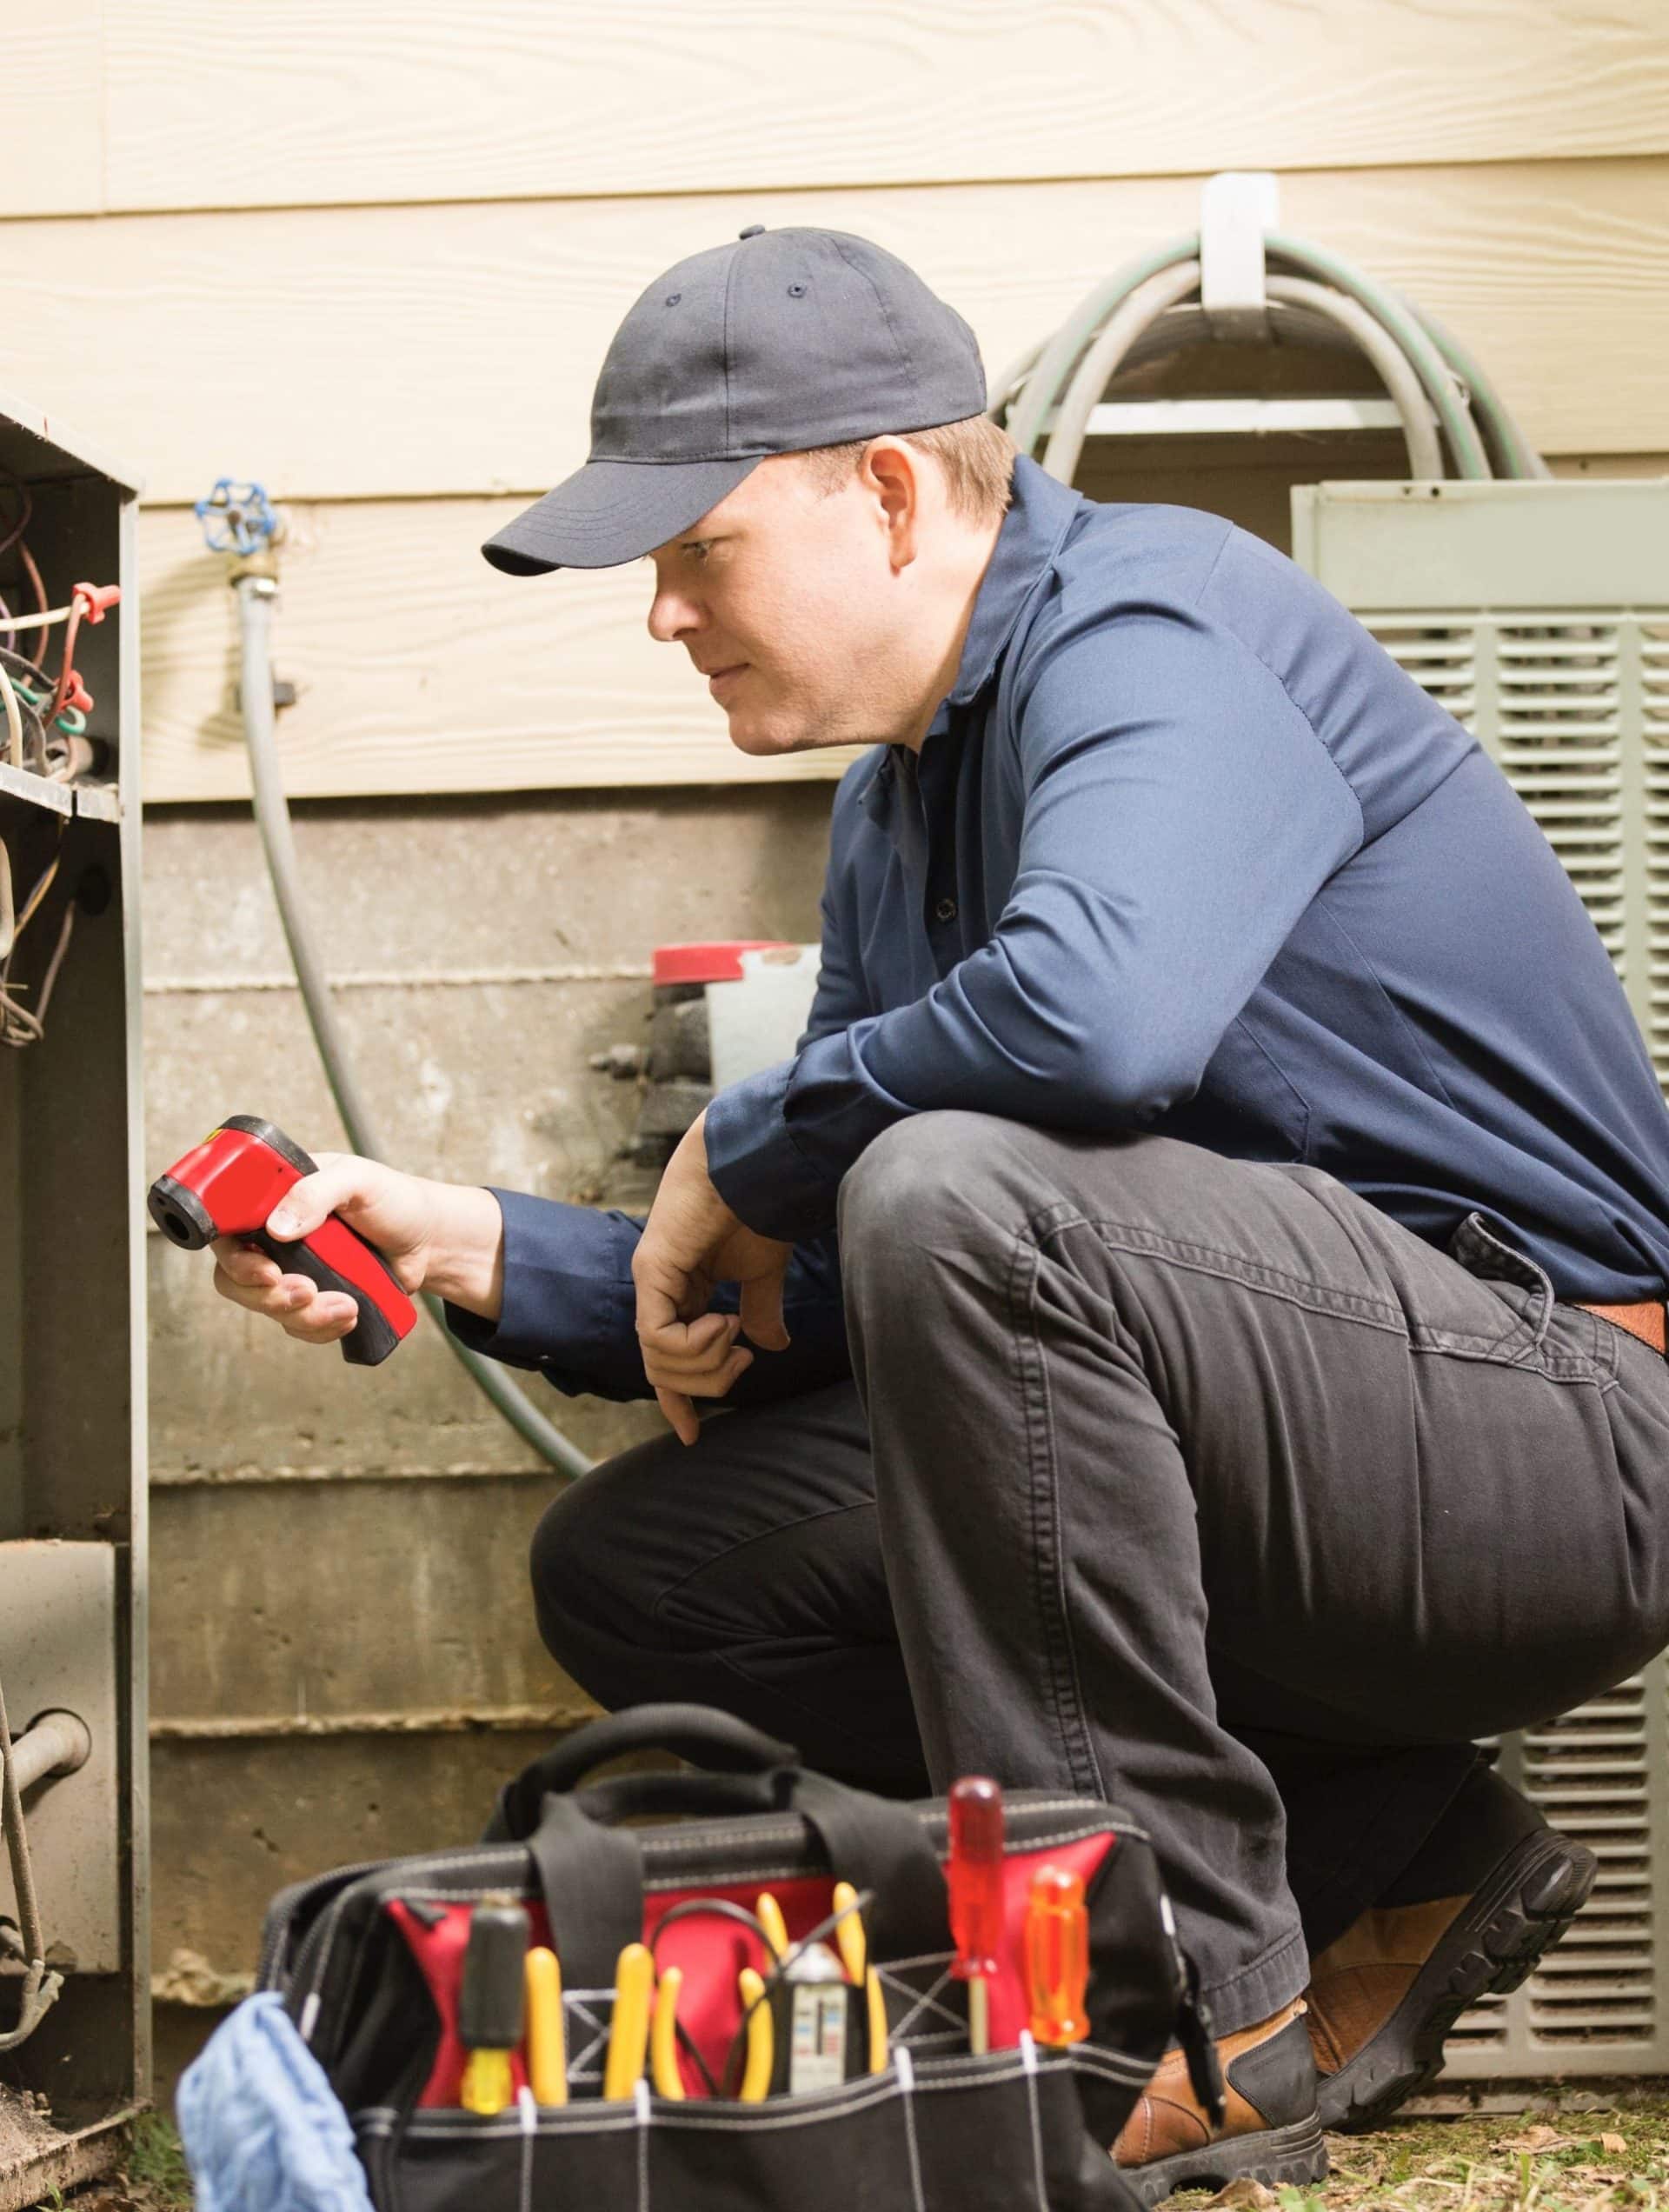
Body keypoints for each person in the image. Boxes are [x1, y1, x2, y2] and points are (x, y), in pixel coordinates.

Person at [209, 227, 1669, 2200]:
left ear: (887, 493)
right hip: (1299, 1471)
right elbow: (865, 1290)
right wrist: (476, 1242)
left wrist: (742, 1141)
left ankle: (1166, 2007)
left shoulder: (1155, 630)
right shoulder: (902, 798)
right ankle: (1390, 1853)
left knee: (953, 1181)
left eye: (693, 552)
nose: (660, 617)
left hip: (1560, 1436)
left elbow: (1093, 1031)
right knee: (653, 1569)